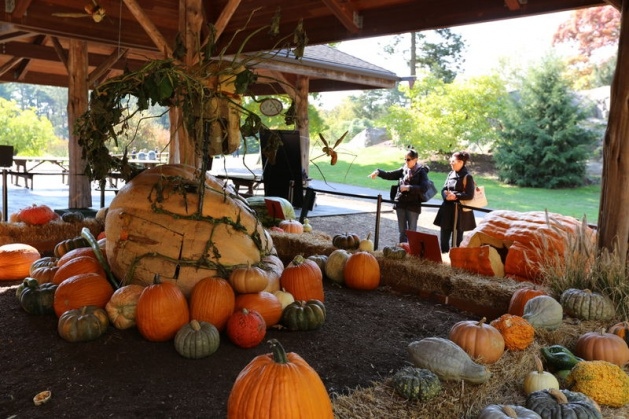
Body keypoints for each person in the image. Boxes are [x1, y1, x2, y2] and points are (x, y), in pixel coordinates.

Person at [369, 149, 430, 243]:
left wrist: (408, 187)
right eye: (405, 159)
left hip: (413, 205)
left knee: (412, 231)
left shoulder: (421, 172)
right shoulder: (404, 169)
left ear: (415, 159)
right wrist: (378, 172)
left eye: (408, 159)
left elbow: (424, 187)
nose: (406, 161)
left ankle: (411, 253)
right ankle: (403, 251)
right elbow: (389, 175)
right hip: (400, 203)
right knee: (402, 231)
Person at [433, 151, 477, 253]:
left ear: (461, 162)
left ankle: (455, 261)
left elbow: (470, 195)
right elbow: (443, 189)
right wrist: (446, 196)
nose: (451, 163)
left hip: (459, 213)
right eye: (450, 161)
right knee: (444, 239)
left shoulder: (467, 177)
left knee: (457, 241)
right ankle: (444, 257)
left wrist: (455, 196)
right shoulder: (450, 174)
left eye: (453, 161)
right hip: (447, 210)